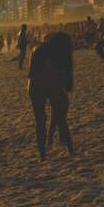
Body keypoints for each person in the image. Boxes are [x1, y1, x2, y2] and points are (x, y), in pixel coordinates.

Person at [28, 33, 74, 161]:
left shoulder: (38, 49)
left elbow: (32, 73)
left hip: (35, 85)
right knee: (60, 118)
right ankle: (71, 150)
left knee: (40, 121)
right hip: (48, 84)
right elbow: (68, 83)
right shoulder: (60, 52)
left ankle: (42, 154)